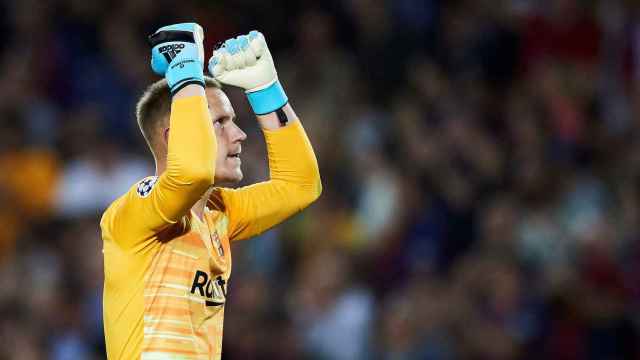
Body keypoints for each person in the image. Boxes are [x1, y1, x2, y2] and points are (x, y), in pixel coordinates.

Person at [100, 23, 322, 359]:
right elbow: (190, 173)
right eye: (220, 123)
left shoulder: (220, 214)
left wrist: (265, 89)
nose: (239, 134)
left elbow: (301, 185)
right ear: (175, 136)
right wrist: (184, 73)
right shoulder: (133, 216)